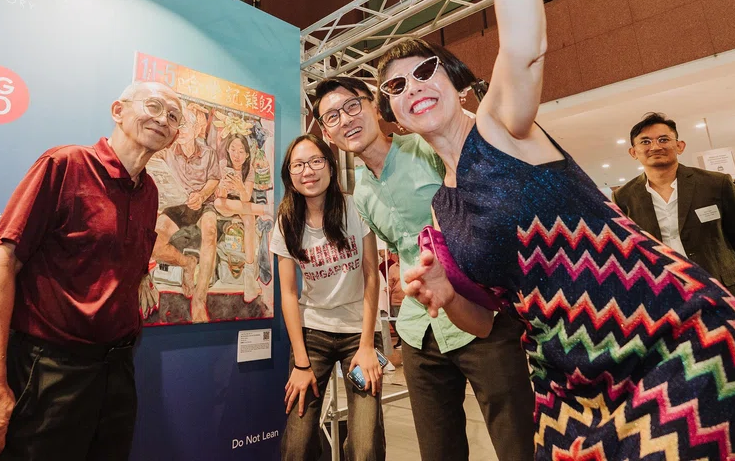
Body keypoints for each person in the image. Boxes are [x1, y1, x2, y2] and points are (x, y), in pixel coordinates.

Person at [385, 0, 735, 459]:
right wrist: (441, 288)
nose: (411, 86)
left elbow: (525, 43)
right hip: (574, 387)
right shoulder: (442, 210)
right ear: (397, 115)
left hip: (674, 342)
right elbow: (485, 322)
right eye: (395, 87)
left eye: (424, 70)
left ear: (457, 83)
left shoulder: (497, 127)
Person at [0, 82, 184, 460]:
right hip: (48, 372)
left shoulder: (149, 192)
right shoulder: (65, 164)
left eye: (173, 117)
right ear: (118, 111)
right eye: (154, 106)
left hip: (116, 373)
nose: (163, 119)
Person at [313, 76, 534, 461]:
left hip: (481, 315)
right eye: (332, 116)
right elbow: (398, 247)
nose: (345, 120)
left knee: (518, 442)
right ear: (328, 133)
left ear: (374, 106)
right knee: (438, 449)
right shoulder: (361, 192)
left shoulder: (425, 147)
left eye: (352, 106)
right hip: (418, 330)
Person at [270, 134, 386, 461]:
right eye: (298, 165)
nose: (308, 171)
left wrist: (366, 345)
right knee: (298, 443)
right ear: (289, 175)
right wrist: (301, 362)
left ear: (331, 167)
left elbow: (370, 274)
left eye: (316, 161)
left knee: (364, 447)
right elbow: (289, 295)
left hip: (358, 333)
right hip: (313, 333)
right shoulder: (286, 222)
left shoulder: (354, 207)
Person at [612, 112, 735, 320]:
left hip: (721, 288)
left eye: (663, 139)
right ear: (633, 151)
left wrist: (723, 267)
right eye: (645, 141)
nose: (655, 147)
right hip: (663, 294)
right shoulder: (623, 197)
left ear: (679, 146)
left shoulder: (716, 184)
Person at [150, 106, 221, 322]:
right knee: (153, 242)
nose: (180, 130)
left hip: (201, 205)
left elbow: (214, 180)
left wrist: (201, 194)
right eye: (178, 125)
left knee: (210, 230)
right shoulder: (168, 150)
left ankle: (200, 299)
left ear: (196, 128)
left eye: (185, 126)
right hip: (177, 205)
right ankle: (187, 263)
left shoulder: (208, 153)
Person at [214, 133, 267, 302]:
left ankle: (249, 276)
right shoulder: (223, 165)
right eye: (233, 150)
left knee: (249, 219)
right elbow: (221, 197)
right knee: (219, 203)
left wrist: (240, 187)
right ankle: (262, 210)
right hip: (228, 205)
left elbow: (246, 197)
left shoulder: (249, 169)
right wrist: (222, 187)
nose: (236, 155)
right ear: (228, 151)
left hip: (243, 205)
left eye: (241, 151)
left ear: (247, 154)